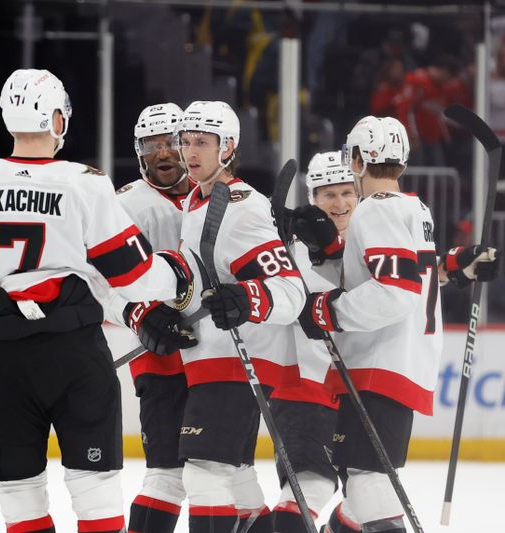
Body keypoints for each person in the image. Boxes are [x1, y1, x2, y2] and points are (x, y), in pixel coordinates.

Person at [0, 69, 195, 533]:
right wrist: (180, 273)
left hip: (4, 359)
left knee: (20, 496)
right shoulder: (84, 181)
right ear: (56, 120)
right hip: (75, 353)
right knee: (96, 491)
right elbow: (134, 274)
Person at [295, 116, 495, 533]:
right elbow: (403, 275)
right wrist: (329, 255)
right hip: (401, 361)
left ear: (356, 160)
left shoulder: (374, 211)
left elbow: (395, 290)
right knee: (360, 483)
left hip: (379, 364)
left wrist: (326, 311)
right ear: (402, 162)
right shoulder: (413, 207)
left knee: (367, 484)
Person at [165, 100, 305, 533]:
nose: (190, 152)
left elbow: (290, 290)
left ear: (228, 147)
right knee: (236, 480)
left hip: (240, 361)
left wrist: (246, 299)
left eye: (202, 142)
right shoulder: (196, 201)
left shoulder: (241, 206)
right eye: (186, 141)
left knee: (203, 472)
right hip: (212, 357)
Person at [270, 152, 361, 533]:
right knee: (309, 489)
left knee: (367, 502)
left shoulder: (369, 241)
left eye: (347, 193)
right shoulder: (293, 249)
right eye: (328, 195)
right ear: (312, 198)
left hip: (355, 393)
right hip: (305, 388)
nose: (339, 204)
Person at [114, 103, 193, 533]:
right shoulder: (126, 204)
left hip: (217, 359)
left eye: (171, 143)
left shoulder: (215, 194)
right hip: (160, 357)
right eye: (152, 145)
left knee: (225, 474)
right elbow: (100, 277)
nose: (163, 153)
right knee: (168, 474)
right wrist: (139, 313)